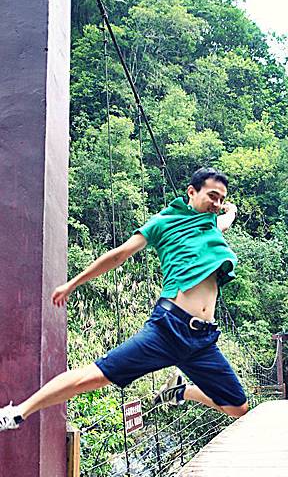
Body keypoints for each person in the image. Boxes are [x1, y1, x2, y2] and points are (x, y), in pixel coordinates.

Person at [0, 168, 249, 432]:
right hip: (169, 329)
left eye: (221, 199)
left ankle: (180, 391)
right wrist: (74, 283)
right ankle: (17, 412)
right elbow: (119, 255)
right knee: (93, 377)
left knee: (238, 408)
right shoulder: (164, 223)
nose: (217, 204)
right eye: (212, 196)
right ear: (191, 191)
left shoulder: (209, 226)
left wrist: (231, 211)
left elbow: (224, 221)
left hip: (202, 340)